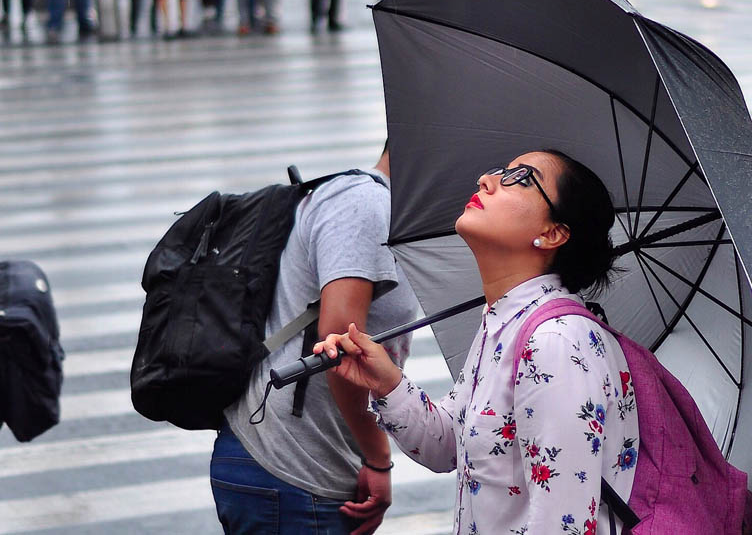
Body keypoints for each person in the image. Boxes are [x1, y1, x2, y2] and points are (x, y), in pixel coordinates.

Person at [313, 150, 639, 535]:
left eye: (521, 178)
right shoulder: (506, 323)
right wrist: (388, 383)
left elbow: (563, 526)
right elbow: (450, 445)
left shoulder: (555, 343)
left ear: (553, 234)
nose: (487, 178)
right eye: (501, 170)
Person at [212, 144, 423, 535]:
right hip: (291, 466)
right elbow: (339, 345)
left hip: (298, 464)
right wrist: (378, 460)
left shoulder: (383, 209)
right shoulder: (366, 204)